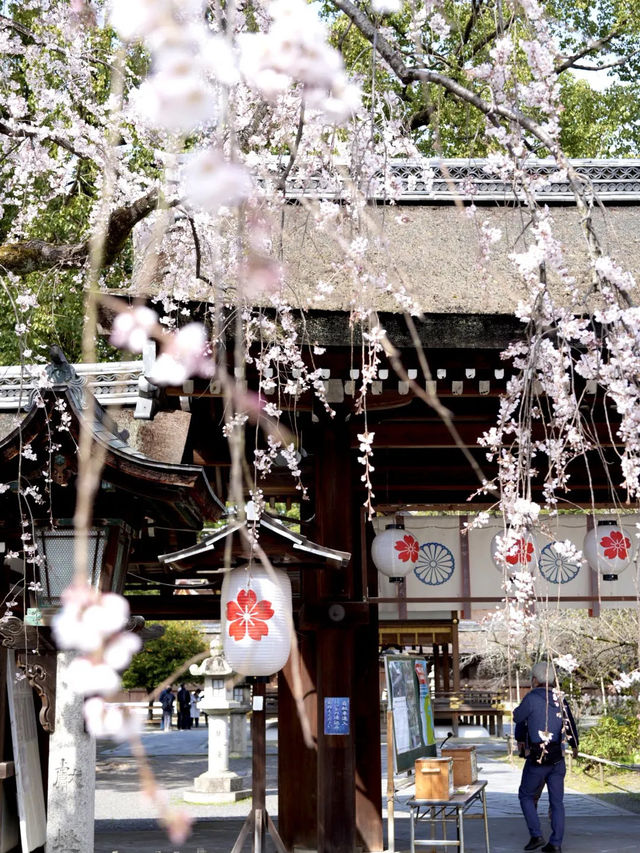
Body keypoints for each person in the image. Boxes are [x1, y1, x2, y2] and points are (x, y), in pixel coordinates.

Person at [513, 661, 579, 853]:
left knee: (525, 794)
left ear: (535, 680)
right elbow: (570, 724)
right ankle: (556, 843)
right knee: (557, 802)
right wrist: (574, 746)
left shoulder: (532, 698)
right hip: (558, 758)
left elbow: (518, 718)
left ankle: (536, 835)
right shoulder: (560, 699)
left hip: (538, 757)